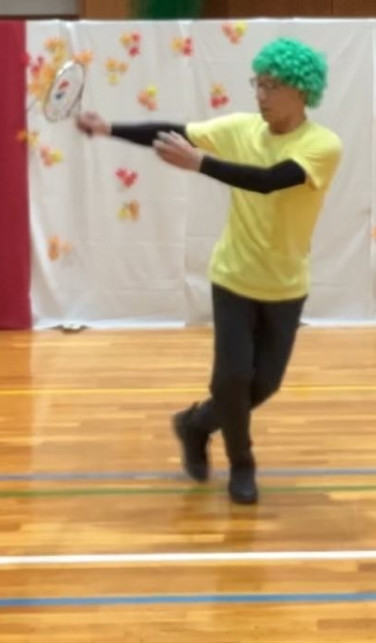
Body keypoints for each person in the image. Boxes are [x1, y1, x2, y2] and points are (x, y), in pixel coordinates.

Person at [76, 37, 342, 506]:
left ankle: (195, 424)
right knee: (232, 379)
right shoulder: (241, 128)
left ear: (301, 91)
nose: (260, 95)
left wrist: (200, 164)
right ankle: (243, 464)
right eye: (257, 84)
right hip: (233, 278)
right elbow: (172, 131)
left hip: (285, 287)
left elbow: (268, 182)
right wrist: (107, 128)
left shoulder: (322, 145)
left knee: (265, 385)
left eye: (272, 86)